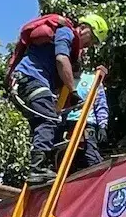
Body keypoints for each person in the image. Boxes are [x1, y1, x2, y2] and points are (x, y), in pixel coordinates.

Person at [7, 13, 107, 185]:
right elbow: (61, 59)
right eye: (93, 39)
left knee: (43, 124)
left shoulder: (69, 42)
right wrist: (73, 90)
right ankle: (37, 170)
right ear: (84, 29)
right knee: (49, 120)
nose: (91, 45)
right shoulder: (66, 32)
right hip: (32, 79)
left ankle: (40, 168)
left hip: (26, 82)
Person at [64, 69, 109, 170]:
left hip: (86, 123)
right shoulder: (62, 79)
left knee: (91, 156)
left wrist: (102, 126)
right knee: (65, 160)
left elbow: (100, 104)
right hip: (66, 124)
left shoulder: (92, 79)